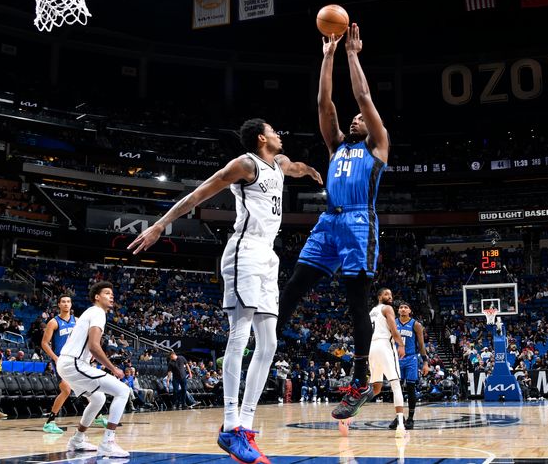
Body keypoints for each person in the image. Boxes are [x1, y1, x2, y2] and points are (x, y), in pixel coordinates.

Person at [129, 118, 322, 464]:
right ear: (262, 138)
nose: (281, 134)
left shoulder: (277, 163)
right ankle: (231, 424)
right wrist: (160, 224)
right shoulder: (245, 164)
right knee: (240, 336)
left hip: (268, 255)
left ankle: (245, 425)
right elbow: (199, 193)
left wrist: (309, 171)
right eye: (275, 130)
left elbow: (293, 167)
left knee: (271, 343)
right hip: (244, 251)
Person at [276, 24, 390, 420]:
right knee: (293, 286)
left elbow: (362, 95)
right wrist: (327, 56)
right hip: (328, 222)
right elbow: (326, 104)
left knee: (356, 303)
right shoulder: (336, 145)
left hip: (360, 222)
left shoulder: (377, 146)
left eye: (362, 118)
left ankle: (360, 380)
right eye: (354, 119)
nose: (357, 119)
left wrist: (352, 55)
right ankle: (267, 342)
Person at [56, 281, 130, 458]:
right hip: (74, 363)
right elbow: (94, 347)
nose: (111, 296)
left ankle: (77, 439)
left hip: (67, 364)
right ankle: (108, 443)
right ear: (97, 297)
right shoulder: (97, 312)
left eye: (112, 293)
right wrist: (113, 369)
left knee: (98, 399)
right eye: (106, 293)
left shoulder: (89, 313)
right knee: (123, 390)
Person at [366, 288, 406, 437]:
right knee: (396, 384)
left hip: (371, 347)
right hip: (384, 345)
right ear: (379, 296)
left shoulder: (372, 311)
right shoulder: (387, 308)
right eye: (386, 294)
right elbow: (394, 329)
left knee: (375, 388)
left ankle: (350, 412)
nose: (389, 296)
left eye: (390, 294)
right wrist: (401, 345)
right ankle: (401, 426)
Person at [389, 301, 429, 430]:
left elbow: (421, 345)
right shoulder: (393, 323)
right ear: (398, 310)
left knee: (411, 388)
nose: (403, 309)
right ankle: (399, 416)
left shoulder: (416, 324)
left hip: (411, 358)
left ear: (410, 311)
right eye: (401, 307)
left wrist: (425, 362)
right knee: (396, 389)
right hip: (396, 359)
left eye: (406, 307)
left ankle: (411, 418)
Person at [40, 294, 76, 434]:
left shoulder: (77, 321)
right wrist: (55, 358)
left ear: (71, 304)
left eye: (68, 301)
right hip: (60, 360)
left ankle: (98, 416)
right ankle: (50, 422)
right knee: (66, 390)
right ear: (59, 305)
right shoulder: (53, 322)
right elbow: (44, 343)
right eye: (63, 302)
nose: (66, 304)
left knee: (84, 387)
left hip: (73, 360)